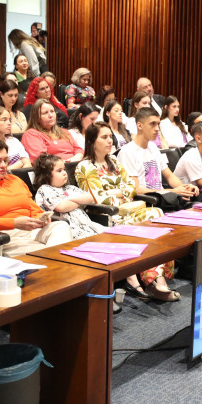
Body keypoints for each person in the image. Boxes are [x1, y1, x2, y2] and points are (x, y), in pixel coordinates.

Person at [74, 123, 172, 300]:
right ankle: (142, 278)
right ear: (91, 141)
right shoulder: (84, 166)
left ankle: (156, 277)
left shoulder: (114, 161)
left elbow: (131, 188)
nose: (109, 140)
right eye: (104, 137)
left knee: (157, 214)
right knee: (139, 225)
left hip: (128, 210)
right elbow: (96, 198)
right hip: (107, 215)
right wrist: (120, 194)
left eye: (110, 136)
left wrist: (117, 192)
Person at [0, 137, 72, 257]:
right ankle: (54, 264)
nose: (3, 165)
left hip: (31, 230)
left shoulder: (14, 180)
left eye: (5, 160)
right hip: (6, 236)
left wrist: (40, 217)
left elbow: (32, 208)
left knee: (61, 226)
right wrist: (13, 223)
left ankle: (53, 263)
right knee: (52, 252)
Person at [117, 107, 198, 201]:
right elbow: (135, 190)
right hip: (146, 202)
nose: (157, 129)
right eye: (152, 124)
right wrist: (172, 192)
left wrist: (184, 188)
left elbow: (170, 176)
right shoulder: (127, 152)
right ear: (139, 126)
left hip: (162, 198)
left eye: (158, 124)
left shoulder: (153, 147)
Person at [32, 154, 104, 240]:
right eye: (59, 171)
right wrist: (79, 202)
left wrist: (70, 199)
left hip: (86, 225)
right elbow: (61, 207)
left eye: (64, 169)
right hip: (66, 229)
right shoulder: (45, 189)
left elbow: (89, 197)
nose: (64, 173)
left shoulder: (69, 188)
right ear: (46, 175)